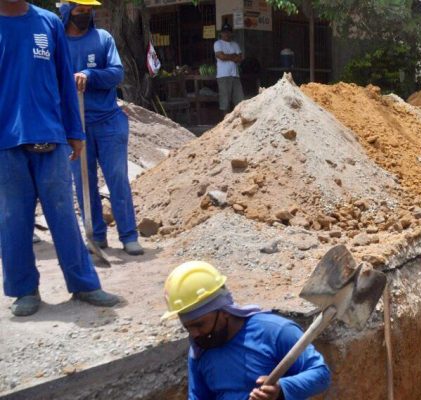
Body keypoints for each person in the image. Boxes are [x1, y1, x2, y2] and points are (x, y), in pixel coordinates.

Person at [0, 0, 120, 316]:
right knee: (13, 217)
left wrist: (75, 130)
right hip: (5, 140)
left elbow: (65, 80)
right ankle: (24, 290)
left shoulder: (49, 23)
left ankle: (83, 284)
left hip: (50, 134)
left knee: (64, 213)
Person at [162, 261, 331, 400]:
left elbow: (320, 374)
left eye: (199, 325)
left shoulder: (276, 331)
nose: (194, 334)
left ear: (224, 312)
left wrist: (281, 390)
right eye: (188, 327)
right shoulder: (200, 350)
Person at [61, 0, 143, 256]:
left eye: (88, 11)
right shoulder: (57, 43)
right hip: (75, 125)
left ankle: (128, 236)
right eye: (79, 11)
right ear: (66, 12)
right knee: (83, 181)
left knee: (117, 179)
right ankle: (95, 235)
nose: (85, 15)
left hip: (108, 121)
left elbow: (117, 73)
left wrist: (89, 75)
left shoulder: (103, 38)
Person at [214, 23, 244, 112]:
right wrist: (233, 56)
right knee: (225, 101)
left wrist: (228, 56)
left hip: (235, 75)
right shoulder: (218, 43)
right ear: (221, 33)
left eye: (228, 32)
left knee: (240, 100)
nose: (226, 34)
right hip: (223, 76)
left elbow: (240, 58)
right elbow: (221, 56)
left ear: (231, 33)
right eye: (224, 32)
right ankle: (225, 122)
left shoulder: (235, 44)